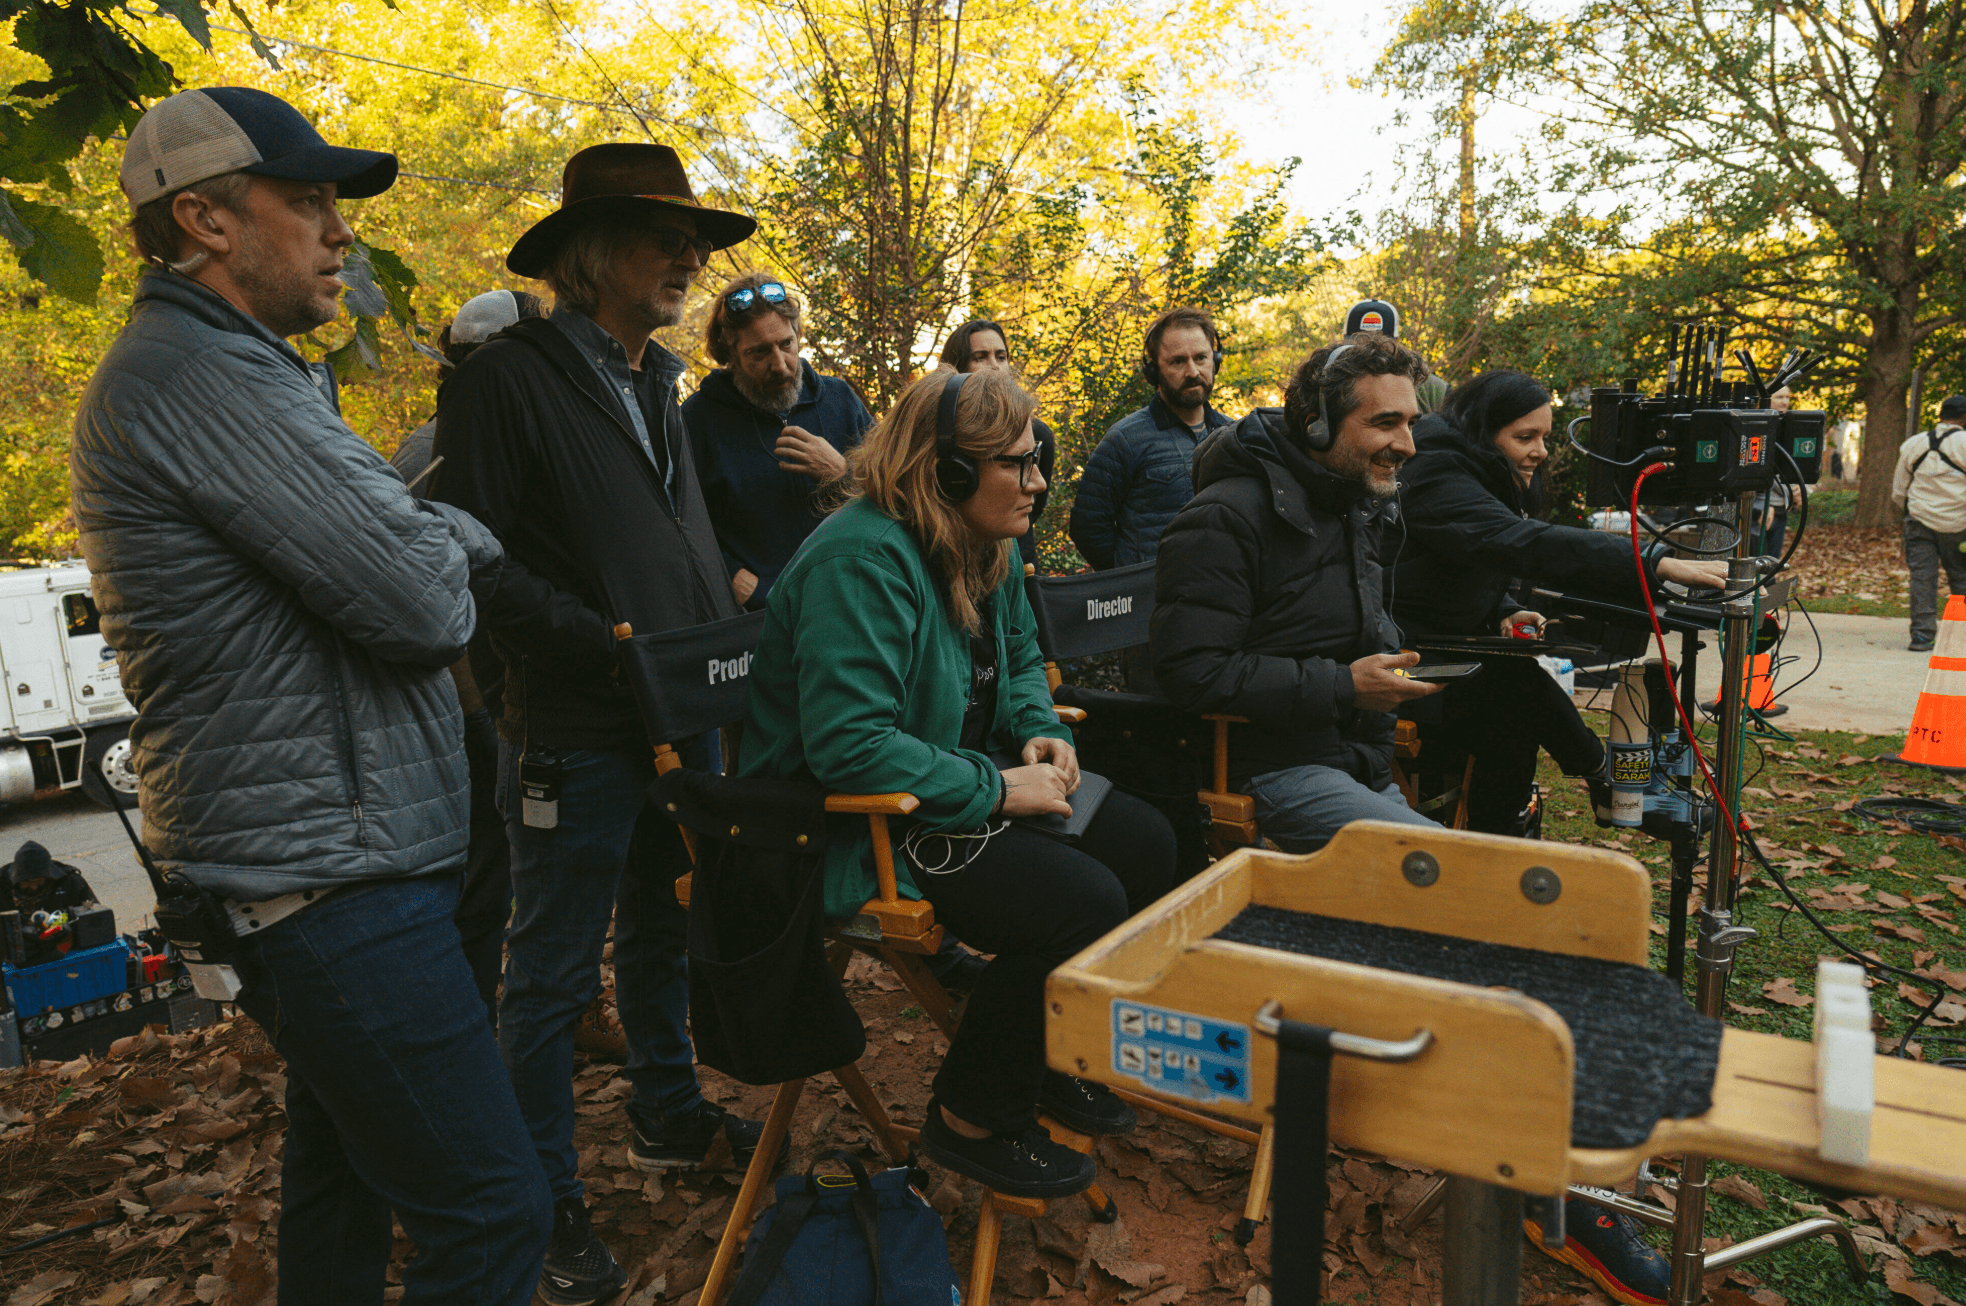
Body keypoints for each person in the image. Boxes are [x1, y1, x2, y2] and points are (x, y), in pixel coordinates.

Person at [71, 87, 549, 1304]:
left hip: (335, 857)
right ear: (204, 220)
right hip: (326, 877)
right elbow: (425, 603)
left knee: (342, 1175)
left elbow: (389, 550)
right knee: (491, 1211)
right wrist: (455, 535)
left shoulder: (243, 369)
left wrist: (411, 528)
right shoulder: (201, 377)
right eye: (308, 201)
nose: (341, 233)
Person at [431, 143, 764, 1306]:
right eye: (661, 235)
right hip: (572, 724)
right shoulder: (508, 376)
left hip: (684, 713)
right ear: (588, 251)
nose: (688, 257)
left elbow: (673, 534)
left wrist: (720, 588)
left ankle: (666, 1113)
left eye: (695, 241)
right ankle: (541, 1196)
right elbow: (468, 559)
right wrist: (602, 639)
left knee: (664, 929)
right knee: (555, 978)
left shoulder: (656, 377)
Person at [738, 366, 1177, 1198]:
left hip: (948, 787)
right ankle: (973, 1113)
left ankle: (1044, 1056)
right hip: (852, 825)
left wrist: (1040, 732)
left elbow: (1015, 664)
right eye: (1020, 462)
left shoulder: (991, 542)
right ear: (947, 471)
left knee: (1149, 846)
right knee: (1078, 902)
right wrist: (1002, 789)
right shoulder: (859, 559)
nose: (1039, 482)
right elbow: (849, 748)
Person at [1392, 370, 1727, 834]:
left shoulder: (1467, 465)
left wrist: (1504, 607)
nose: (1541, 451)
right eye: (1525, 436)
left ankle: (1504, 839)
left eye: (1545, 437)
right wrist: (1651, 561)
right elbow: (1511, 540)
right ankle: (1601, 785)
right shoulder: (1434, 467)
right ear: (1481, 429)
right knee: (1517, 687)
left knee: (1514, 710)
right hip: (1397, 662)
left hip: (1438, 649)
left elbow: (1457, 557)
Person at [1150, 332, 1442, 851]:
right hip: (1270, 773)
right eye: (1385, 423)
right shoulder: (1224, 517)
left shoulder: (1349, 504)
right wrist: (1345, 686)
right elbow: (1192, 672)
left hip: (1358, 764)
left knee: (1472, 875)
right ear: (1317, 424)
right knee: (1457, 869)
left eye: (1411, 423)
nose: (1408, 445)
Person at [391, 288, 547, 1020]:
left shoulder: (496, 429)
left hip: (502, 694)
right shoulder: (434, 451)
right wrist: (479, 709)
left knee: (505, 870)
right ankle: (475, 1027)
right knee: (496, 871)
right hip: (476, 699)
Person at [683, 272, 872, 610]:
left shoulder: (840, 399)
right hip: (759, 616)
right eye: (758, 353)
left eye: (787, 344)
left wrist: (842, 471)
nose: (781, 365)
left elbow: (899, 493)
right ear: (731, 354)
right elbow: (678, 523)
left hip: (850, 601)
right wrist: (733, 577)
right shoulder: (697, 420)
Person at [1072, 307, 1234, 691]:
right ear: (1154, 370)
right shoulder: (1125, 439)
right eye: (1177, 361)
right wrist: (1138, 580)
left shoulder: (1234, 436)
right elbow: (1088, 525)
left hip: (1224, 618)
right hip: (1149, 627)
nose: (1192, 370)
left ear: (1216, 360)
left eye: (1201, 358)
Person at [939, 319, 1056, 570]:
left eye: (1001, 357)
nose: (994, 366)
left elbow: (1033, 501)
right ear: (956, 367)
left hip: (1020, 563)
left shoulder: (1038, 435)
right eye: (980, 357)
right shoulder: (937, 438)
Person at [1891, 394, 1966, 652]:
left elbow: (1899, 490)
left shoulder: (1914, 443)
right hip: (1959, 524)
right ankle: (1961, 636)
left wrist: (1912, 511)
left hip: (1919, 521)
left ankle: (1922, 636)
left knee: (1922, 578)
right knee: (1962, 579)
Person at [1, 841, 98, 965]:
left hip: (65, 951)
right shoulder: (3, 887)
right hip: (16, 960)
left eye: (39, 881)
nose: (34, 887)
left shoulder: (71, 882)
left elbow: (96, 918)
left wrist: (70, 930)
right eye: (26, 882)